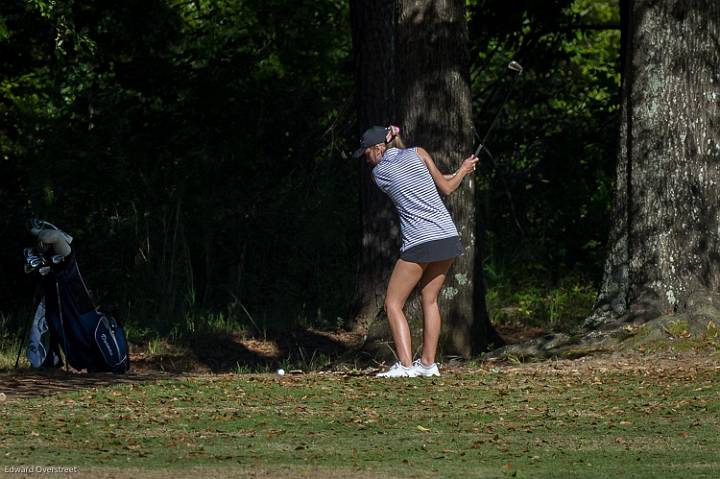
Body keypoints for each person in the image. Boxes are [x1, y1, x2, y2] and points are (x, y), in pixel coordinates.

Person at [353, 125, 479, 377]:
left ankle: (406, 366)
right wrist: (463, 169)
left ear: (379, 148)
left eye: (367, 152)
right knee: (429, 298)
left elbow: (407, 177)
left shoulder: (379, 174)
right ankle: (428, 365)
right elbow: (446, 187)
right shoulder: (419, 153)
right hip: (447, 236)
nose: (366, 159)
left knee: (392, 303)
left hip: (420, 241)